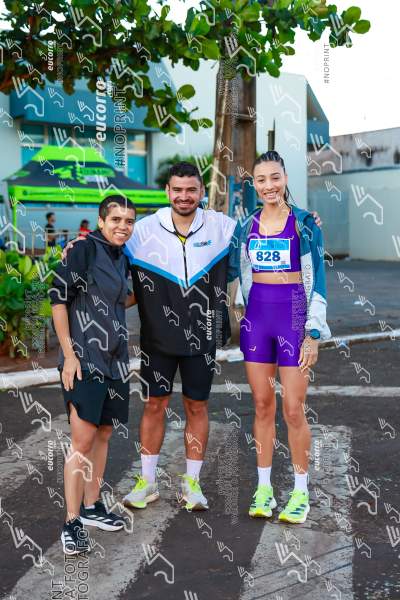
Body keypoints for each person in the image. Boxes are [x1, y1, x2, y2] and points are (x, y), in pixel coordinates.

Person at [230, 151, 331, 524]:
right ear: (254, 184)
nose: (269, 186)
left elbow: (319, 279)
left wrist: (313, 333)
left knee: (292, 408)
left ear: (285, 178)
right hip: (257, 319)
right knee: (261, 406)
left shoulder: (305, 224)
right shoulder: (245, 226)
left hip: (293, 316)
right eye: (261, 179)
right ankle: (264, 489)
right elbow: (234, 270)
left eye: (275, 177)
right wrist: (237, 312)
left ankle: (300, 492)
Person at [50, 195, 136, 554]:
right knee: (82, 442)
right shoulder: (83, 250)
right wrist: (70, 356)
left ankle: (91, 506)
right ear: (101, 221)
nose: (122, 226)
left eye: (129, 221)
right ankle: (71, 522)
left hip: (116, 360)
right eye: (115, 219)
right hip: (84, 359)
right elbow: (58, 300)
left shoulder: (123, 256)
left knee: (103, 433)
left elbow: (123, 298)